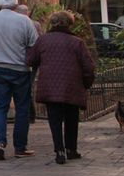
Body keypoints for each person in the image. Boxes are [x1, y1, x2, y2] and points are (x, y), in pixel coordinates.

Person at [27, 12, 96, 165]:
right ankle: (71, 148)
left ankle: (59, 149)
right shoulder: (76, 42)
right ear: (69, 24)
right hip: (72, 85)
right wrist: (86, 83)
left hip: (50, 86)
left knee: (55, 119)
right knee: (72, 118)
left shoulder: (43, 40)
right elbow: (88, 66)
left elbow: (31, 60)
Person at [0, 0, 39, 160]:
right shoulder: (24, 20)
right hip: (20, 69)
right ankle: (20, 147)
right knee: (22, 108)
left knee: (1, 107)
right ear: (15, 5)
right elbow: (33, 43)